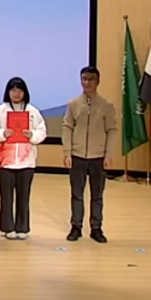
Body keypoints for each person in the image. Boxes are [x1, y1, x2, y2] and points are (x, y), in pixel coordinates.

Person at [0, 77, 48, 240]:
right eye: (13, 90)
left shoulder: (32, 112)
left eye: (19, 90)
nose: (16, 93)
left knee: (23, 196)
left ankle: (22, 227)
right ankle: (7, 227)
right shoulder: (0, 111)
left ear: (25, 92)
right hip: (5, 161)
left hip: (27, 161)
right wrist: (2, 133)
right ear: (8, 92)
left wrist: (32, 134)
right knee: (6, 197)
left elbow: (42, 131)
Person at [62, 66, 117, 243]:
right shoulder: (73, 104)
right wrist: (67, 152)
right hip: (77, 156)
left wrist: (108, 154)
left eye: (91, 79)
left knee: (97, 195)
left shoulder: (106, 106)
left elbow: (111, 130)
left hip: (98, 157)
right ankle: (76, 227)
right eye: (84, 79)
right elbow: (67, 128)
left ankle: (96, 228)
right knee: (77, 194)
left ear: (97, 81)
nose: (87, 83)